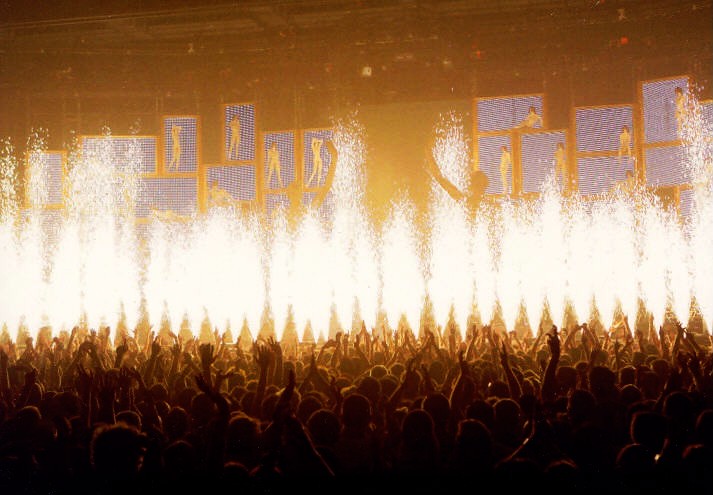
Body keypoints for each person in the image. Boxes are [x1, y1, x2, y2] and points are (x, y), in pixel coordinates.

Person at [425, 142, 489, 215]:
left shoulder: (466, 202)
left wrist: (429, 156)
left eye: (469, 181)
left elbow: (441, 179)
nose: (468, 183)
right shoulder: (489, 206)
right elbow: (441, 179)